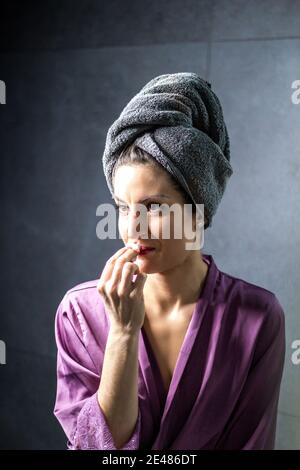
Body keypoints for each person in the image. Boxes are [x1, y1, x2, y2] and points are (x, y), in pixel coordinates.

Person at [53, 73, 285, 450]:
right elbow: (97, 448)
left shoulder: (257, 316)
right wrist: (123, 332)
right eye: (123, 208)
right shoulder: (78, 312)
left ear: (199, 211)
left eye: (154, 207)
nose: (133, 227)